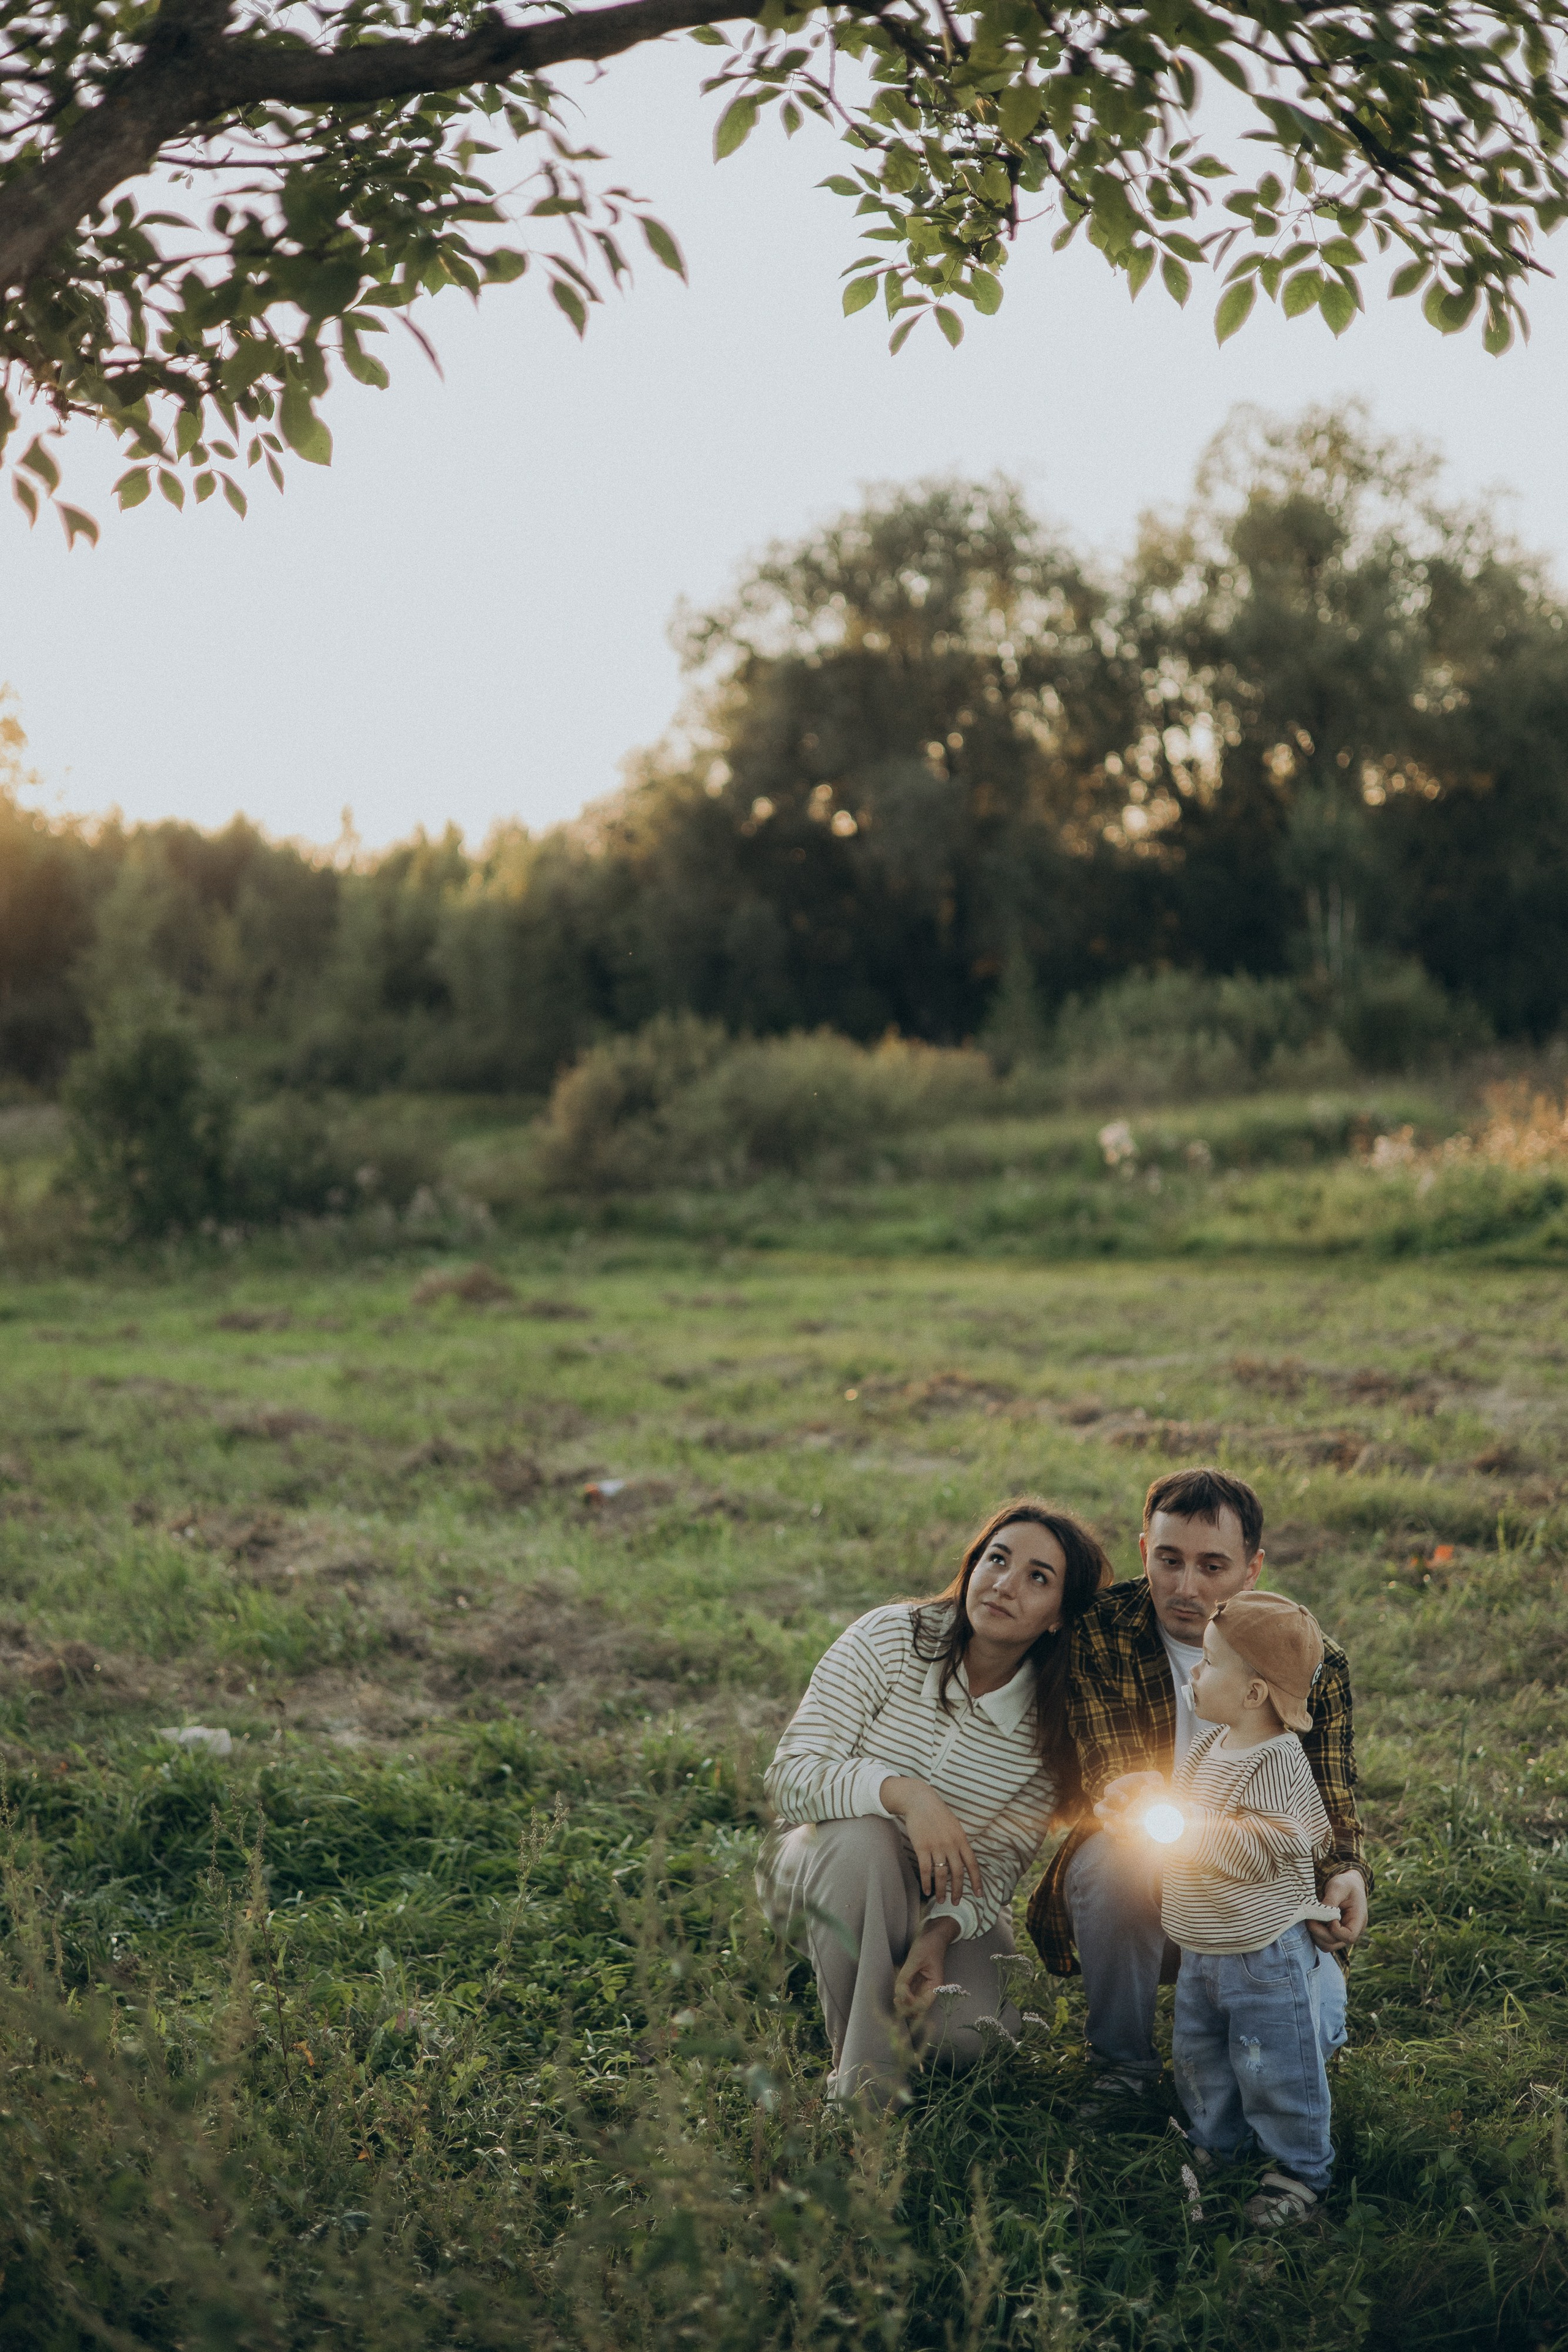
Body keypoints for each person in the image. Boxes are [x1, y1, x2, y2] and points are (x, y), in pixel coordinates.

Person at [1025, 1466, 1370, 2112]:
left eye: (1212, 1566)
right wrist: (1137, 1801)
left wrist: (1346, 1872)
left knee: (1289, 2062)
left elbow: (1328, 1794)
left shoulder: (1312, 1661)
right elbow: (1113, 1766)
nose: (1185, 1588)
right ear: (1142, 1553)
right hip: (1152, 1858)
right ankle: (1121, 2068)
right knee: (1110, 1862)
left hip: (1261, 1873)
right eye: (1168, 1560)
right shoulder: (1103, 1627)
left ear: (1252, 1568)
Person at [759, 1499, 1114, 2102]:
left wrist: (939, 1934)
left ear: (1059, 1616)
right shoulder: (890, 1637)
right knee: (863, 1836)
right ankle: (862, 2093)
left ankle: (873, 1978)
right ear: (972, 1565)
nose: (1004, 1584)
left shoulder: (1051, 1724)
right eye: (996, 1559)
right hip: (820, 1867)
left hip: (937, 1897)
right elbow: (790, 1776)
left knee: (974, 2036)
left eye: (1037, 1577)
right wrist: (905, 1796)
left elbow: (998, 1863)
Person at [1097, 1590, 1348, 2227]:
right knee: (1202, 2057)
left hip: (1262, 1953)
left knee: (1273, 2063)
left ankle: (1298, 2169)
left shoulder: (1276, 1758)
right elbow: (1184, 1816)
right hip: (1205, 1945)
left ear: (1255, 1694)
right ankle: (1218, 2143)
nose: (1195, 1674)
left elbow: (1285, 1841)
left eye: (1208, 1664)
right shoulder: (1211, 1748)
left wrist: (1189, 1832)